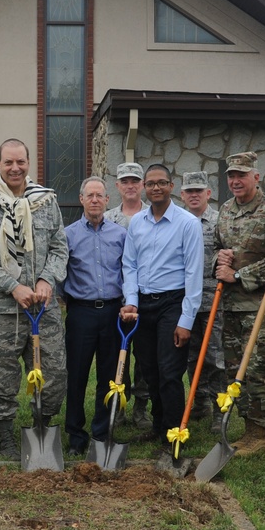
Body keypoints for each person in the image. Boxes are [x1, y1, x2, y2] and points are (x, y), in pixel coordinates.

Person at [0, 138, 68, 460]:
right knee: (1, 378)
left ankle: (42, 425)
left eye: (20, 162)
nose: (15, 168)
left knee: (53, 375)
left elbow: (60, 247)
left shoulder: (46, 201)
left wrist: (46, 279)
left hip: (42, 308)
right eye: (8, 162)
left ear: (28, 163)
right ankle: (6, 437)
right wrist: (13, 286)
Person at [119, 164, 203, 444]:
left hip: (173, 304)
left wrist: (185, 321)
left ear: (171, 187)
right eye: (151, 183)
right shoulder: (137, 224)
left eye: (162, 183)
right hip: (143, 304)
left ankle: (175, 432)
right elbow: (129, 264)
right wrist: (131, 302)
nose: (156, 187)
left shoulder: (187, 223)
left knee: (169, 371)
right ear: (144, 187)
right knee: (150, 370)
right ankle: (157, 426)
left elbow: (193, 273)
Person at [213, 152, 265, 456]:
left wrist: (238, 275)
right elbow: (221, 247)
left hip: (263, 307)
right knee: (236, 369)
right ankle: (248, 427)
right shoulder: (226, 210)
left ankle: (261, 433)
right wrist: (220, 260)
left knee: (257, 368)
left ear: (256, 177)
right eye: (231, 175)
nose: (235, 181)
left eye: (242, 175)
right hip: (232, 307)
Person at [60, 177, 126, 455]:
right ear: (82, 199)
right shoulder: (68, 235)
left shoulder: (121, 234)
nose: (96, 200)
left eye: (100, 195)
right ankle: (76, 435)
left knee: (109, 377)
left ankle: (102, 431)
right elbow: (58, 273)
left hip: (113, 312)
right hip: (81, 314)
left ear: (107, 200)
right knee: (76, 375)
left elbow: (129, 269)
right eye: (90, 195)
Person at [103, 162, 151, 430]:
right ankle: (118, 404)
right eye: (125, 181)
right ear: (118, 186)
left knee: (143, 357)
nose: (131, 185)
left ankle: (141, 409)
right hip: (116, 297)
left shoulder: (153, 215)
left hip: (146, 296)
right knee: (116, 354)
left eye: (135, 180)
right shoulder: (109, 219)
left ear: (142, 184)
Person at [179, 171, 225, 420]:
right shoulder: (178, 222)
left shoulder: (220, 222)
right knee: (191, 356)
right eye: (189, 191)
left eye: (199, 190)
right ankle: (199, 403)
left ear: (208, 193)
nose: (194, 195)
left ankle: (220, 411)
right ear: (182, 195)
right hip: (186, 303)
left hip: (212, 302)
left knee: (215, 358)